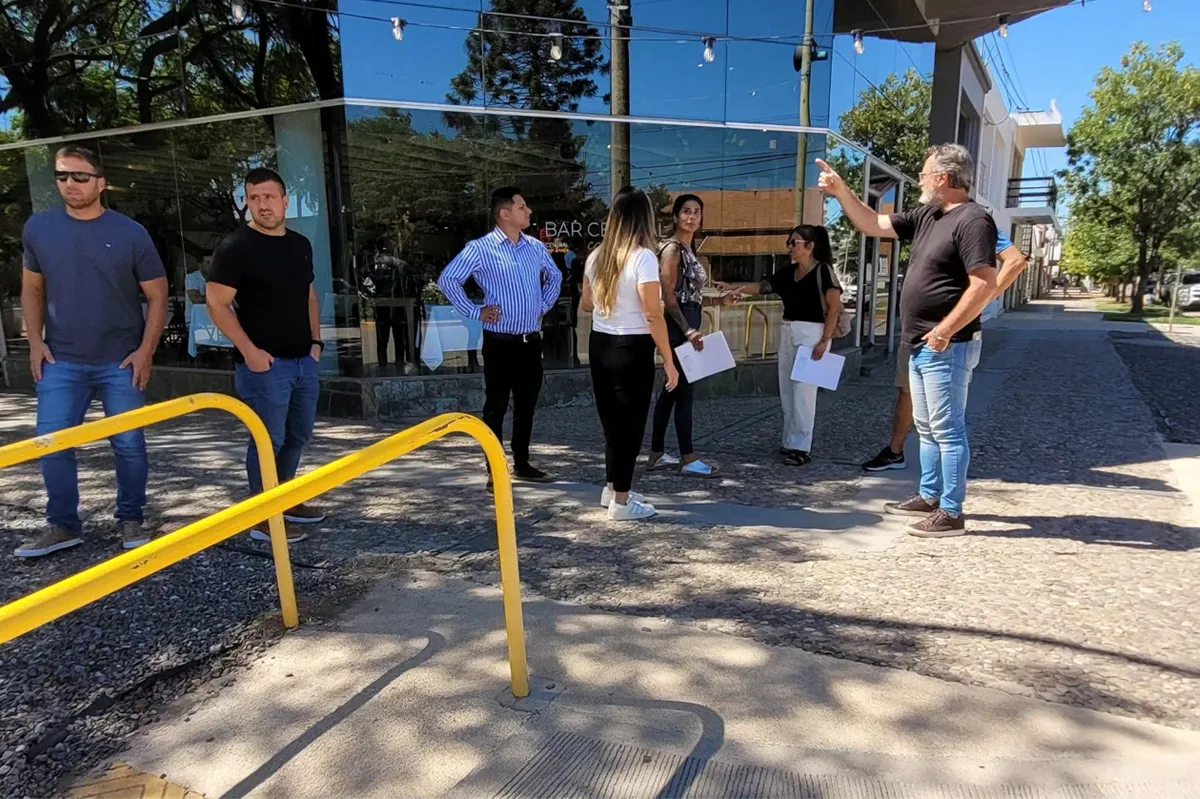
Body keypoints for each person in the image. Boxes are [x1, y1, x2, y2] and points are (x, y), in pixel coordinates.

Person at [817, 145, 998, 536]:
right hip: (919, 343)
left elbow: (985, 284)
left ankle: (951, 512)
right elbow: (872, 224)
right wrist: (842, 191)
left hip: (946, 345)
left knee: (948, 429)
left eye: (925, 173)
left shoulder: (973, 221)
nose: (919, 179)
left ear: (945, 179)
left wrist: (945, 330)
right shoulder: (929, 215)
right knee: (927, 426)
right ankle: (930, 495)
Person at [14, 144, 169, 558]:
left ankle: (132, 518)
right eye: (63, 176)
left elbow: (158, 295)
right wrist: (35, 342)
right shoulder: (39, 229)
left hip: (121, 358)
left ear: (101, 183)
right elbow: (31, 287)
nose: (71, 184)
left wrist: (146, 351)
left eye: (80, 177)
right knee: (51, 444)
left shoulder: (129, 233)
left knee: (129, 444)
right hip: (60, 359)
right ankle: (63, 525)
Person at [207, 167, 324, 544]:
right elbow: (217, 304)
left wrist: (316, 343)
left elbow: (308, 294)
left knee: (298, 437)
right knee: (266, 440)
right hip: (265, 367)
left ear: (285, 201)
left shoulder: (300, 244)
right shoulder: (236, 248)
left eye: (269, 197)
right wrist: (250, 352)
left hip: (303, 362)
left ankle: (284, 499)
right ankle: (263, 518)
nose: (262, 205)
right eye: (254, 198)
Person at [862, 232, 1027, 472]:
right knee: (911, 399)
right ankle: (903, 460)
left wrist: (986, 297)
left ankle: (945, 494)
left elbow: (1015, 260)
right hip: (916, 332)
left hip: (948, 337)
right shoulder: (931, 220)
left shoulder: (973, 222)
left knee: (942, 419)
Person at [438, 187, 563, 488]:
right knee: (496, 406)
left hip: (530, 340)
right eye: (522, 206)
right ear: (504, 213)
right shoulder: (480, 249)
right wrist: (475, 310)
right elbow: (448, 279)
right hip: (500, 342)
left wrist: (542, 306)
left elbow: (555, 277)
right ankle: (494, 468)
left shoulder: (534, 246)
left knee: (526, 405)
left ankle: (522, 463)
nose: (528, 211)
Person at [582, 187, 680, 520]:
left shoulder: (597, 256)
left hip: (600, 343)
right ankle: (621, 502)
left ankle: (612, 487)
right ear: (644, 219)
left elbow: (586, 304)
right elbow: (653, 314)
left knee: (611, 421)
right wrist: (669, 360)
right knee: (631, 424)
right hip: (632, 346)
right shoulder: (642, 257)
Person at [716, 225, 843, 466]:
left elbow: (834, 307)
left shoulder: (823, 271)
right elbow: (763, 287)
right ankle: (790, 440)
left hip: (812, 332)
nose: (790, 247)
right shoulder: (789, 272)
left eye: (794, 242)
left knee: (804, 392)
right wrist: (732, 287)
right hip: (789, 330)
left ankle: (801, 447)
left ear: (809, 246)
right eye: (790, 242)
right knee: (787, 388)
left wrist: (824, 340)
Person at [647, 194, 736, 476]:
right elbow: (668, 296)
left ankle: (657, 452)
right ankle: (688, 456)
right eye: (686, 211)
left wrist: (718, 302)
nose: (692, 217)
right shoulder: (673, 249)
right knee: (684, 391)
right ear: (675, 216)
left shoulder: (688, 248)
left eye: (697, 212)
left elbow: (691, 297)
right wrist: (686, 329)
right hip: (678, 327)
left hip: (686, 320)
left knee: (671, 391)